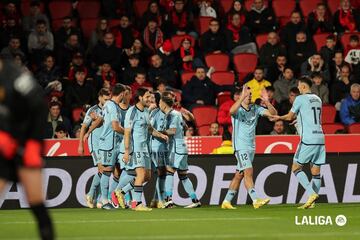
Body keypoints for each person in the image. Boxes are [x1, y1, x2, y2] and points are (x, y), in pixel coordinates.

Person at [0, 59, 54, 239]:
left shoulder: (16, 76)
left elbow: (39, 108)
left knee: (35, 200)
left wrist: (33, 144)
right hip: (4, 144)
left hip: (27, 141)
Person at [272, 77, 325, 209]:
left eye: (299, 85)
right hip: (320, 137)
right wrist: (300, 121)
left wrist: (278, 117)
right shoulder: (318, 99)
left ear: (302, 86)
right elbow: (312, 117)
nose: (298, 88)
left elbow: (290, 116)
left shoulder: (300, 99)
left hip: (308, 139)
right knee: (316, 172)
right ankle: (311, 203)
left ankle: (312, 193)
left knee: (296, 168)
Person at [221, 84, 277, 210]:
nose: (249, 96)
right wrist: (241, 97)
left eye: (250, 94)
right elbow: (231, 111)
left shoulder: (256, 108)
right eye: (247, 94)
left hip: (251, 146)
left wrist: (267, 101)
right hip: (240, 146)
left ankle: (226, 201)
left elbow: (273, 114)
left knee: (239, 174)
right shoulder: (238, 109)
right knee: (248, 171)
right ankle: (255, 200)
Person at [115, 88, 168, 211]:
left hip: (145, 148)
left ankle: (121, 192)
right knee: (140, 174)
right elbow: (127, 133)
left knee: (147, 177)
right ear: (140, 98)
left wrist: (160, 135)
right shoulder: (132, 112)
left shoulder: (145, 112)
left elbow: (149, 128)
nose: (150, 99)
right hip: (136, 148)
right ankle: (136, 203)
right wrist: (127, 151)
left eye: (150, 97)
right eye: (147, 97)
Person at [159, 95, 201, 208]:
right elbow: (185, 127)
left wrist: (159, 132)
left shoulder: (173, 114)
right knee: (183, 175)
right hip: (181, 146)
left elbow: (172, 131)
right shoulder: (176, 114)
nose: (159, 104)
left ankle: (168, 199)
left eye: (160, 102)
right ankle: (195, 200)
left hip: (176, 147)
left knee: (169, 171)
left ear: (163, 103)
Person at [78, 88, 111, 208]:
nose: (107, 101)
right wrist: (80, 144)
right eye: (105, 99)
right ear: (100, 98)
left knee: (105, 170)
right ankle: (92, 194)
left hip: (107, 143)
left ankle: (97, 198)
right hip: (95, 143)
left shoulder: (110, 108)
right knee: (102, 169)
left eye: (109, 99)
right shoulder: (93, 110)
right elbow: (84, 127)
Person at [96, 84, 126, 209]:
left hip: (115, 143)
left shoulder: (110, 105)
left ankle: (114, 198)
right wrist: (129, 133)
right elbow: (115, 127)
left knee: (120, 172)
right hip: (109, 144)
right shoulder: (112, 106)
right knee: (107, 171)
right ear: (122, 94)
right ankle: (103, 200)